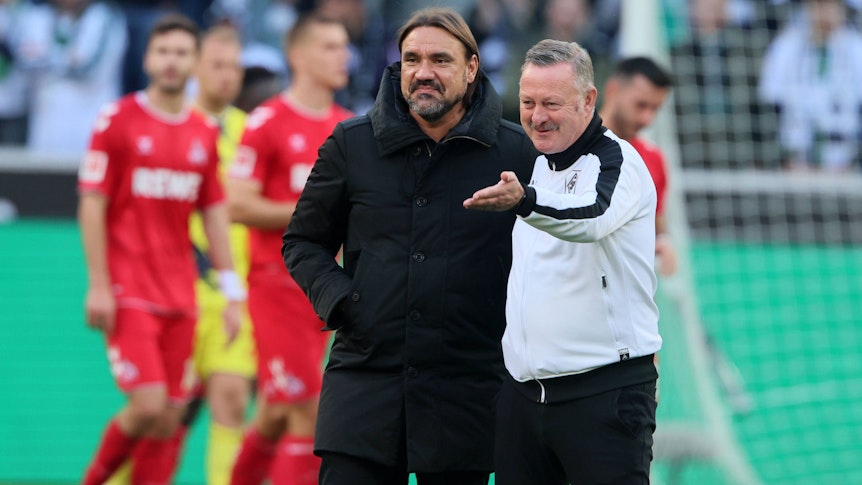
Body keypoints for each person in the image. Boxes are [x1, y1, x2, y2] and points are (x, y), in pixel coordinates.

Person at [282, 7, 537, 485]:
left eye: (440, 60)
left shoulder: (516, 152)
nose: (423, 73)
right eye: (412, 59)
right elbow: (303, 241)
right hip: (365, 382)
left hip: (467, 389)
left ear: (471, 68)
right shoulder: (351, 144)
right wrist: (343, 302)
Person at [463, 39, 662, 484]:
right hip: (521, 397)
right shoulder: (533, 164)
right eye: (528, 101)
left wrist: (524, 201)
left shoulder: (619, 160)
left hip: (604, 393)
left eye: (552, 103)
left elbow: (591, 218)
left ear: (589, 100)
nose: (537, 116)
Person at [78, 13, 244, 485]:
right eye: (163, 51)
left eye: (181, 53)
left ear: (194, 63)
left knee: (169, 418)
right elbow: (92, 203)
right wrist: (98, 284)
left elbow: (213, 212)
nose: (171, 62)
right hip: (129, 288)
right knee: (148, 404)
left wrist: (232, 291)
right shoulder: (118, 120)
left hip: (181, 294)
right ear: (149, 58)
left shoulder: (202, 133)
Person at [226, 13, 353, 485]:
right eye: (330, 47)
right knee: (310, 411)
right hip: (276, 286)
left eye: (344, 46)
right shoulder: (266, 123)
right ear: (297, 55)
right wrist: (312, 212)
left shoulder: (349, 129)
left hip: (329, 290)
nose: (343, 56)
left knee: (276, 413)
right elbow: (236, 204)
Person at [759, 0, 862, 171]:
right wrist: (784, 160)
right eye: (818, 6)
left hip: (846, 165)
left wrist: (855, 163)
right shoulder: (786, 46)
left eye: (831, 6)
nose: (824, 13)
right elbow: (769, 106)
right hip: (795, 163)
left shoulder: (856, 49)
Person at [600, 56, 677, 276]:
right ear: (613, 90)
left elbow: (656, 221)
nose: (647, 119)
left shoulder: (653, 159)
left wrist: (663, 241)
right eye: (641, 105)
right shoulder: (570, 146)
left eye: (655, 109)